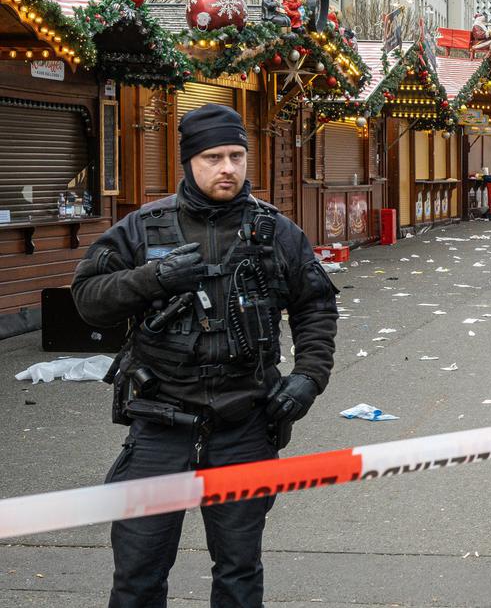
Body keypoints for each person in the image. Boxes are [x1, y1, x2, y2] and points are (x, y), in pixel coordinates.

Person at [72, 104, 338, 607]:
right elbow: (87, 299)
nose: (228, 168)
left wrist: (309, 377)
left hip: (244, 425)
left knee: (239, 572)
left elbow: (316, 306)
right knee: (138, 572)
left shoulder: (276, 232)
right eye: (213, 156)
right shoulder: (141, 229)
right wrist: (152, 279)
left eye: (237, 155)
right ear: (188, 161)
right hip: (159, 425)